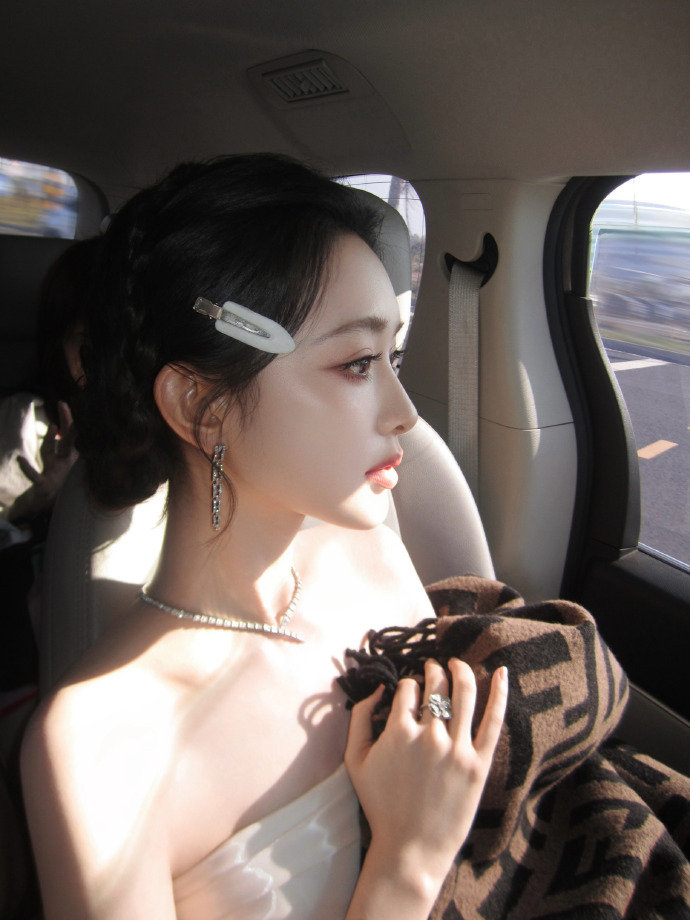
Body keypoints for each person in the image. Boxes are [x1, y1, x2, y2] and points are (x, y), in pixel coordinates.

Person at [20, 154, 508, 920]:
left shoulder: (378, 560)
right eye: (357, 363)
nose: (406, 413)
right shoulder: (97, 748)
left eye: (395, 357)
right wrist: (407, 867)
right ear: (202, 407)